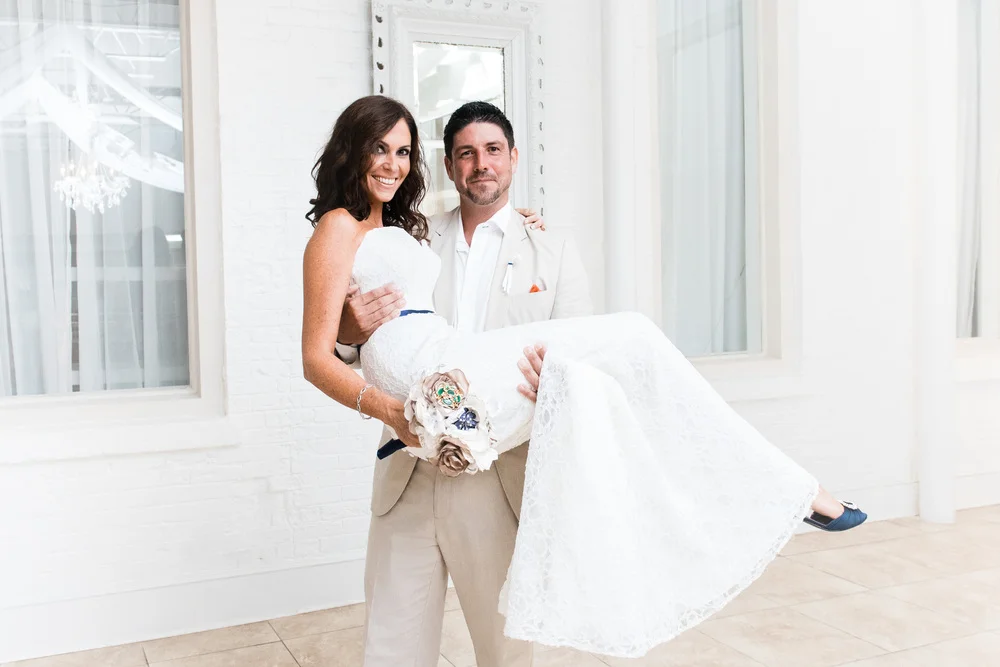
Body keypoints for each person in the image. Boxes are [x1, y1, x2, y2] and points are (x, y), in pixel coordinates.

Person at [300, 95, 867, 663]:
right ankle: (790, 491)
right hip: (408, 461)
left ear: (514, 158)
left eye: (493, 150)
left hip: (493, 468)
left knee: (506, 652)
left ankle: (778, 491)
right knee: (392, 646)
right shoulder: (418, 233)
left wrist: (555, 380)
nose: (480, 164)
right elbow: (337, 341)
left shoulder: (544, 247)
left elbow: (576, 361)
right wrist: (352, 334)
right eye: (465, 154)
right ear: (448, 165)